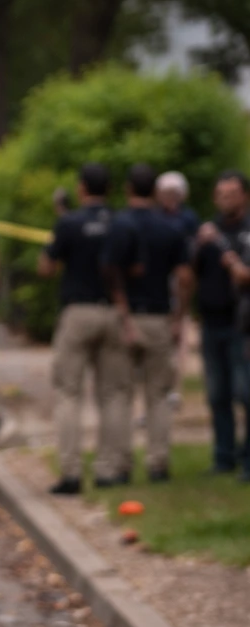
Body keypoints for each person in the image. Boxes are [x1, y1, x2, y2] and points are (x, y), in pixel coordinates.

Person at [38, 163, 130, 494]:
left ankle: (71, 472)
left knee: (68, 393)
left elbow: (46, 267)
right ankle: (110, 469)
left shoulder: (69, 223)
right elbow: (135, 267)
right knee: (115, 394)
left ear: (81, 188)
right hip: (114, 312)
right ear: (110, 189)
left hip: (77, 312)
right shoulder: (121, 224)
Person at [107, 163, 193, 482]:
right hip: (159, 316)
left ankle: (120, 465)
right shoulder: (170, 228)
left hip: (126, 315)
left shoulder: (120, 225)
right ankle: (158, 463)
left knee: (120, 394)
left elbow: (110, 272)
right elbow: (184, 277)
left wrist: (124, 313)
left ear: (128, 189)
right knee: (158, 395)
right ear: (155, 192)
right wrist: (178, 318)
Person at [194, 171, 250, 480]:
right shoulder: (208, 232)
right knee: (218, 394)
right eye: (221, 194)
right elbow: (190, 273)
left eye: (232, 193)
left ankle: (247, 459)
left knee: (246, 393)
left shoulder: (247, 231)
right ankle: (223, 456)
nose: (225, 199)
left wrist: (232, 262)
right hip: (211, 321)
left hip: (242, 325)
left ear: (245, 196)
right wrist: (198, 247)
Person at [156, 171, 200, 237]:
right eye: (166, 194)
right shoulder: (155, 215)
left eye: (173, 194)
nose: (169, 198)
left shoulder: (189, 217)